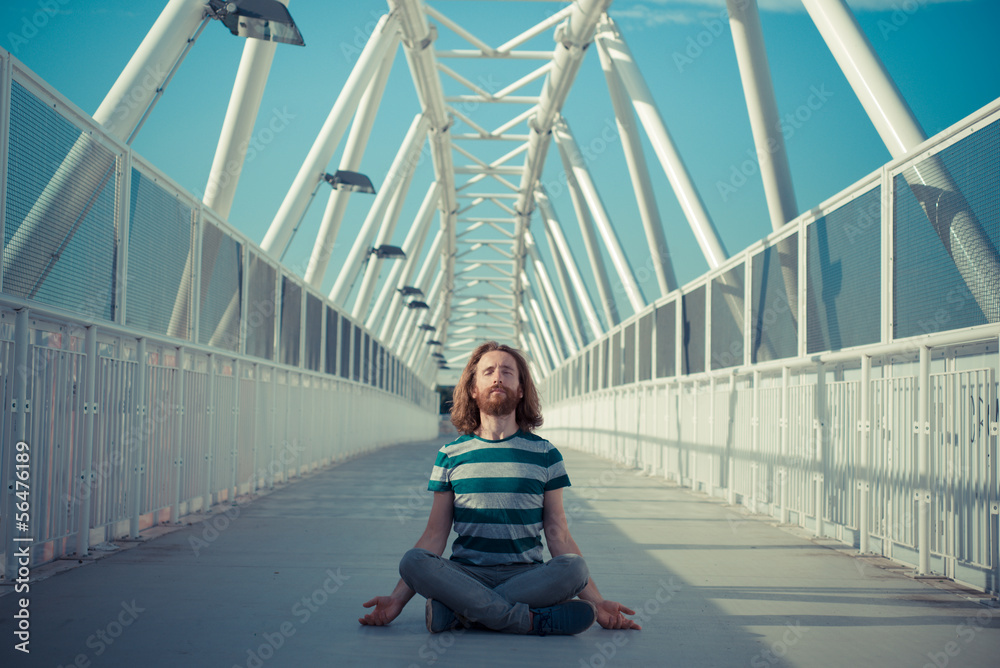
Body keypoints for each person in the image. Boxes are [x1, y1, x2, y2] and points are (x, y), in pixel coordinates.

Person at [359, 341, 641, 636]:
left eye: (507, 372)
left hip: (528, 575)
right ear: (472, 388)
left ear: (521, 389)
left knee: (575, 569)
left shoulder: (546, 455)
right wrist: (396, 601)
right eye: (488, 372)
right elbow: (434, 535)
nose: (497, 378)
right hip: (465, 574)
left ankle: (460, 614)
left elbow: (558, 533)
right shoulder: (450, 455)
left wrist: (597, 602)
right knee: (413, 561)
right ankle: (526, 620)